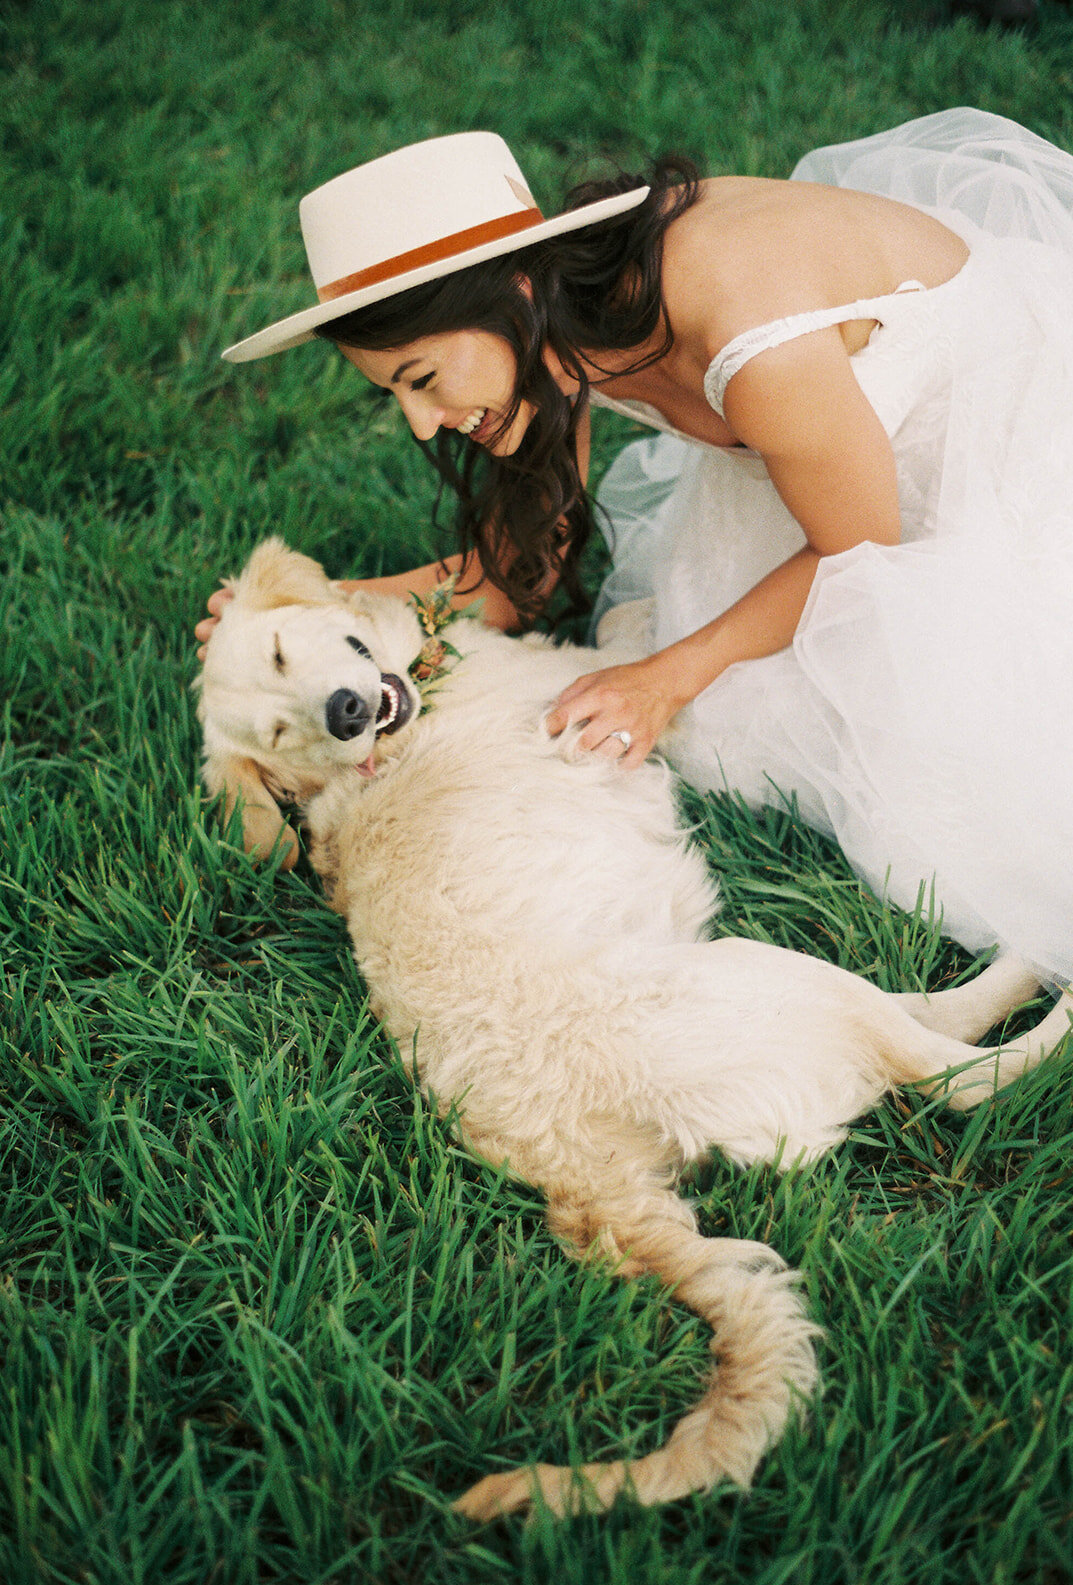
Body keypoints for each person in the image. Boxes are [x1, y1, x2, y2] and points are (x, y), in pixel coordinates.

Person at [202, 111, 1073, 985]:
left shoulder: (744, 329)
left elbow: (860, 558)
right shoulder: (558, 335)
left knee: (953, 789)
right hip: (832, 469)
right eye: (396, 394)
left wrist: (665, 677)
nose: (424, 423)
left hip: (1009, 446)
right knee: (739, 716)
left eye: (421, 380)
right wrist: (305, 615)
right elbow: (510, 588)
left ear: (511, 297)